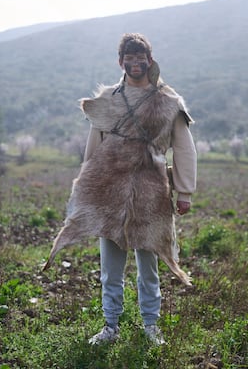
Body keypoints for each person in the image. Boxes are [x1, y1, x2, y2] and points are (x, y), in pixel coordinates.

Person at [81, 33, 197, 345]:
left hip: (152, 194)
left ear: (150, 59)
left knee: (149, 266)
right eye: (128, 58)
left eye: (140, 57)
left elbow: (184, 149)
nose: (135, 63)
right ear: (121, 62)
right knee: (111, 268)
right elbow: (94, 149)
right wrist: (91, 188)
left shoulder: (168, 100)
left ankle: (150, 327)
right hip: (113, 195)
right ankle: (110, 326)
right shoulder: (108, 100)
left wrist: (184, 192)